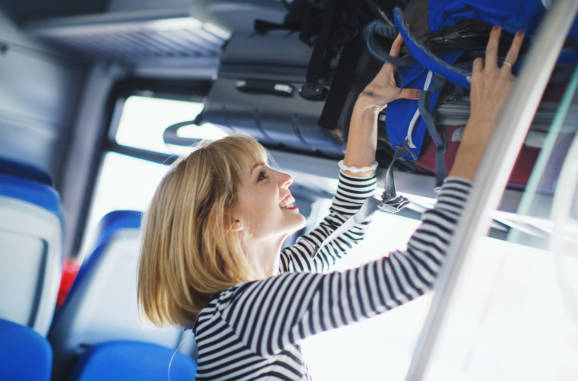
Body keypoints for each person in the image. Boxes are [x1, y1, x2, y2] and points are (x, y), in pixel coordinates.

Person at [137, 26, 524, 380]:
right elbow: (423, 267)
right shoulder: (249, 310)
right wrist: (483, 121)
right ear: (227, 220)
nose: (285, 178)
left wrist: (365, 108)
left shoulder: (246, 302)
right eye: (261, 176)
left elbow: (346, 222)